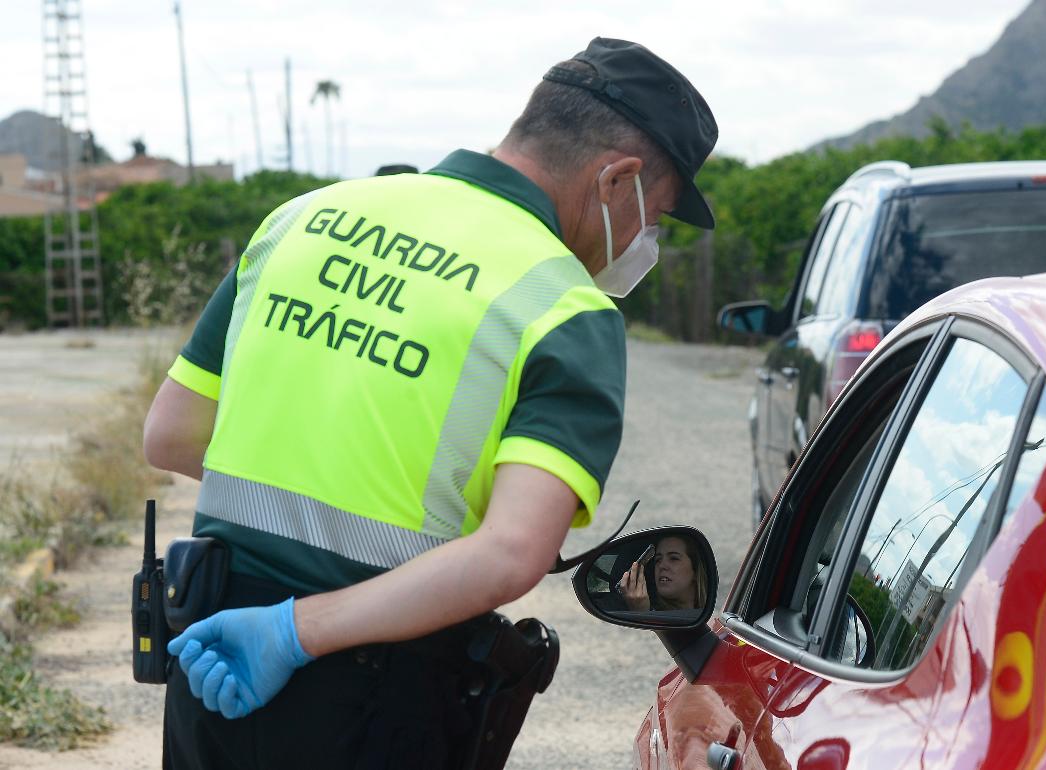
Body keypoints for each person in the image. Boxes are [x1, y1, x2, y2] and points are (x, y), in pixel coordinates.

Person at [142, 37, 717, 769]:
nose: (646, 239)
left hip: (213, 664)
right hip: (378, 699)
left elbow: (170, 434)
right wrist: (294, 631)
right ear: (619, 180)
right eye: (656, 215)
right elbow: (511, 554)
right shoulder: (564, 308)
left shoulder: (304, 219)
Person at [618, 534, 708, 612]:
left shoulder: (704, 613)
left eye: (673, 558)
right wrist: (641, 612)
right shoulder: (655, 612)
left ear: (695, 571)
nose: (662, 566)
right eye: (658, 560)